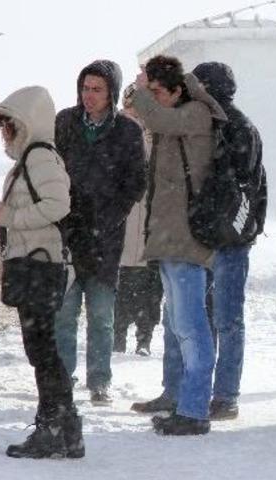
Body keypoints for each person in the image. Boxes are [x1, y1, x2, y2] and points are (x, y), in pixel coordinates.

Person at [127, 55, 227, 435]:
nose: (151, 98)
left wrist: (140, 93)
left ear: (176, 90)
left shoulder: (196, 113)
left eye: (156, 91)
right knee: (181, 325)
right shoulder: (176, 117)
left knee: (192, 326)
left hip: (187, 240)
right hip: (171, 241)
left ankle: (195, 410)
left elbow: (154, 117)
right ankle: (187, 404)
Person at [0, 85, 84, 459]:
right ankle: (65, 428)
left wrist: (10, 217)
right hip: (34, 264)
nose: (4, 132)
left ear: (27, 122)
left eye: (9, 124)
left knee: (42, 351)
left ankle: (54, 428)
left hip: (38, 267)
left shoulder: (40, 157)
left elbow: (59, 205)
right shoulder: (34, 156)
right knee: (44, 350)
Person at [54, 60, 146, 405]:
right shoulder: (64, 123)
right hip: (67, 233)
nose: (89, 96)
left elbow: (136, 182)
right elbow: (51, 170)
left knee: (101, 316)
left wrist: (108, 218)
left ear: (111, 93)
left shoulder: (127, 131)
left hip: (105, 237)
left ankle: (99, 381)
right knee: (63, 314)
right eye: (85, 88)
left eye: (97, 90)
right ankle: (62, 379)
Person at [191, 61, 267, 420]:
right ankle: (207, 392)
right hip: (210, 235)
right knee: (206, 319)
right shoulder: (213, 124)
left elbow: (237, 186)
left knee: (225, 319)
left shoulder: (236, 127)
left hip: (228, 239)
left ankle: (225, 395)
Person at [113, 86, 162, 357]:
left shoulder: (159, 135)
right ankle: (117, 335)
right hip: (124, 222)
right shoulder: (117, 133)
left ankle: (145, 337)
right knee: (120, 287)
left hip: (151, 226)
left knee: (150, 289)